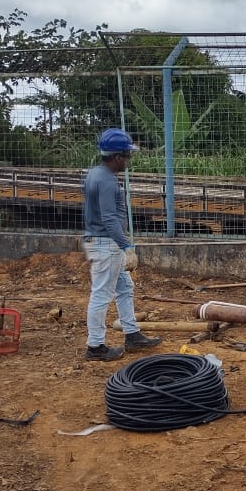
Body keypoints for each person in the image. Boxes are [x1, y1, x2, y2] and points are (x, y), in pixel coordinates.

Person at [82, 128, 162, 361]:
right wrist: (126, 246)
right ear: (117, 157)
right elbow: (109, 218)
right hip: (106, 244)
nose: (129, 160)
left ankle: (132, 333)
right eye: (127, 156)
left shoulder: (95, 173)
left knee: (125, 288)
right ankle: (95, 346)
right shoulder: (106, 181)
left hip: (102, 241)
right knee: (102, 294)